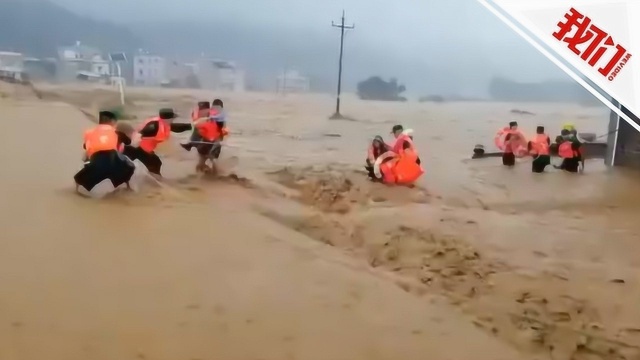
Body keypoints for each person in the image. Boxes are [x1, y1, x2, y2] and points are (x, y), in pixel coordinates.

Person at [74, 111, 136, 195]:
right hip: (113, 161)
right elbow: (128, 142)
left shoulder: (89, 132)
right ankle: (127, 187)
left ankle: (77, 190)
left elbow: (86, 147)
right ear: (112, 121)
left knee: (82, 171)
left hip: (96, 164)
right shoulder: (116, 132)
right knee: (130, 166)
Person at [122, 108, 192, 177]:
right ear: (168, 119)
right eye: (172, 118)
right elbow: (139, 134)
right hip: (137, 148)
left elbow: (176, 128)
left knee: (156, 163)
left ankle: (152, 178)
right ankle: (155, 180)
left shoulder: (164, 124)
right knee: (154, 163)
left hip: (145, 149)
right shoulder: (154, 125)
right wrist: (134, 146)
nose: (173, 120)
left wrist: (190, 126)